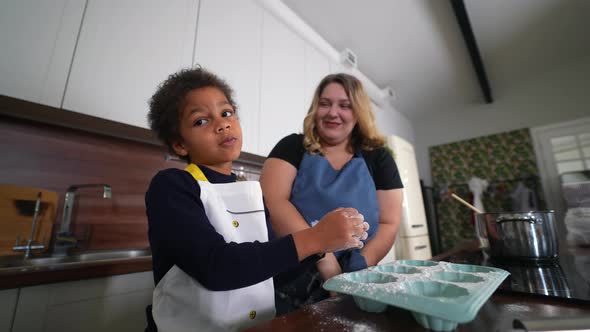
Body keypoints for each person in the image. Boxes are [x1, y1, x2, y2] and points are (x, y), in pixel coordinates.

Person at [144, 67, 369, 332]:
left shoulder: (250, 194)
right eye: (201, 121)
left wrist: (319, 247)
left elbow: (271, 272)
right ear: (180, 145)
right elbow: (216, 266)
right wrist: (315, 237)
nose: (222, 124)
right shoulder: (172, 186)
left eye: (226, 113)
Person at [260, 73, 404, 313]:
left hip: (355, 278)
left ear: (358, 112)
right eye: (325, 104)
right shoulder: (292, 146)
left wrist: (355, 272)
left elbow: (389, 222)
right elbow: (274, 201)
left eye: (345, 105)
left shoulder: (378, 158)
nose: (332, 113)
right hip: (292, 275)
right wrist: (325, 260)